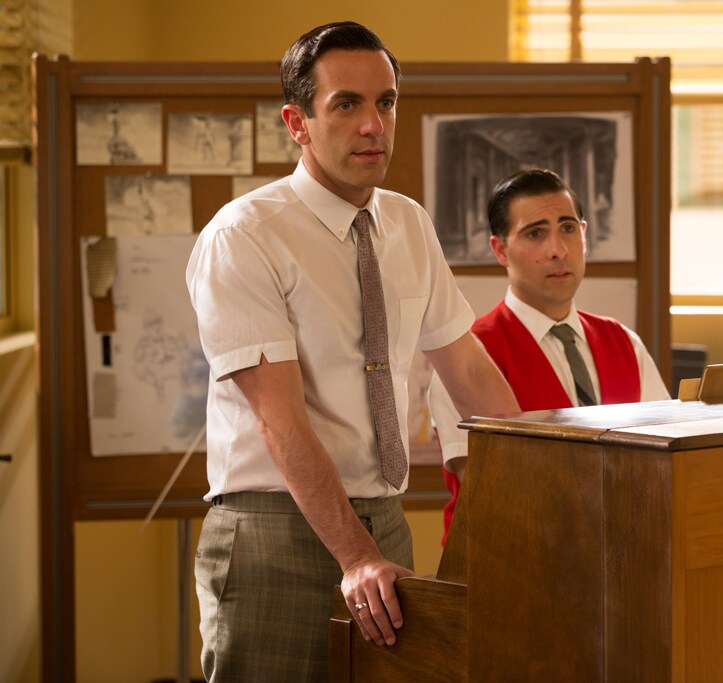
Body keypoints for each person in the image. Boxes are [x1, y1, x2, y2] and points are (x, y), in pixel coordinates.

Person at [186, 22, 518, 681]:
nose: (374, 125)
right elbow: (278, 420)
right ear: (297, 121)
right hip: (271, 531)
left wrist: (550, 481)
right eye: (346, 104)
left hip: (383, 519)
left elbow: (470, 371)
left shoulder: (407, 223)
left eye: (386, 102)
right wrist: (356, 555)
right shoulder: (246, 234)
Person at [428, 168, 671, 543]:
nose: (558, 249)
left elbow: (666, 460)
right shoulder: (467, 354)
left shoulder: (624, 342)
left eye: (568, 228)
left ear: (584, 235)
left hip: (623, 554)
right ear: (500, 250)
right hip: (508, 565)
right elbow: (492, 489)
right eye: (535, 233)